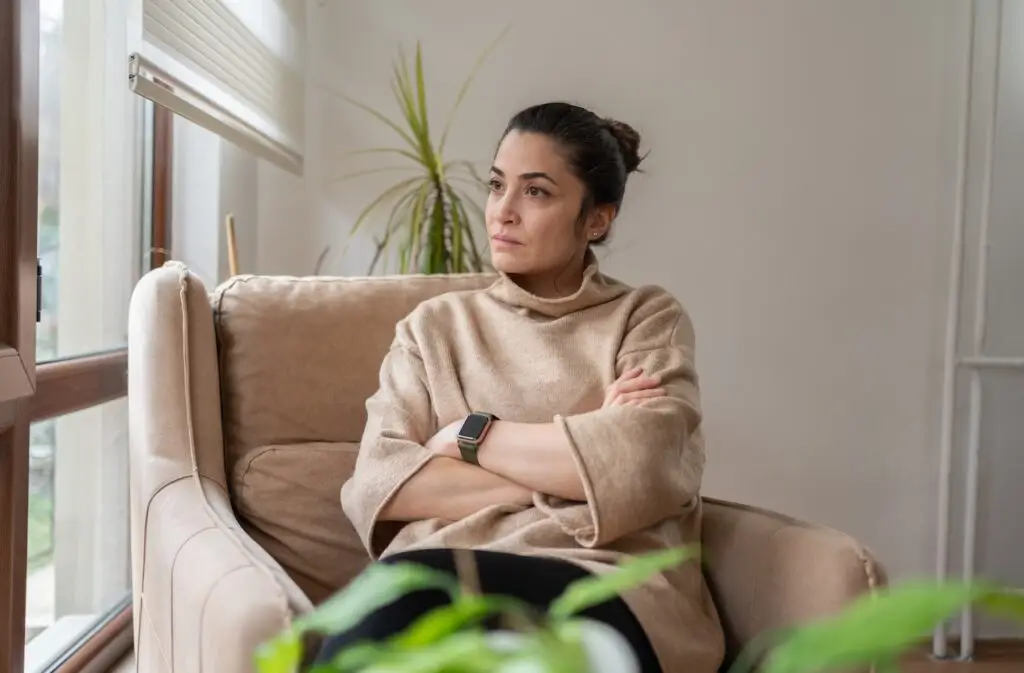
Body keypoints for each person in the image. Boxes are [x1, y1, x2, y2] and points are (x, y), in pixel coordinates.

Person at [320, 102, 724, 673]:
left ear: (596, 219)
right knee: (384, 611)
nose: (502, 212)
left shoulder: (644, 317)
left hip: (601, 580)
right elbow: (377, 485)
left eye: (535, 192)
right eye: (496, 185)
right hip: (445, 571)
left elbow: (642, 466)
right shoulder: (434, 328)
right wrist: (585, 470)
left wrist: (467, 437)